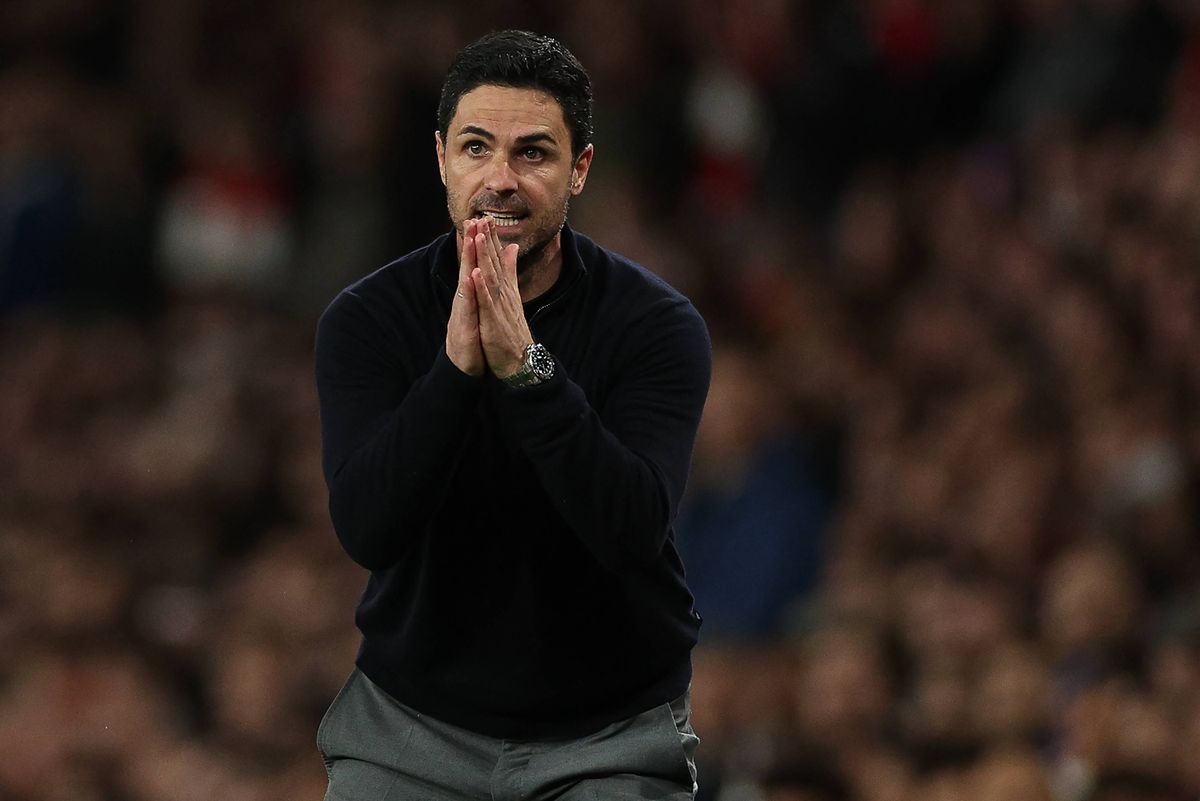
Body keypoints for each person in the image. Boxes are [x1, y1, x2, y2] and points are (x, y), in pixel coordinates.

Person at [313, 30, 712, 800]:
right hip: (408, 729)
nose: (499, 178)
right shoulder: (368, 320)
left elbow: (630, 527)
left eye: (533, 153)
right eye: (475, 148)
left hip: (608, 735)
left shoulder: (656, 326)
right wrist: (458, 368)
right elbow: (369, 528)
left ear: (580, 169)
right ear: (440, 159)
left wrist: (527, 371)